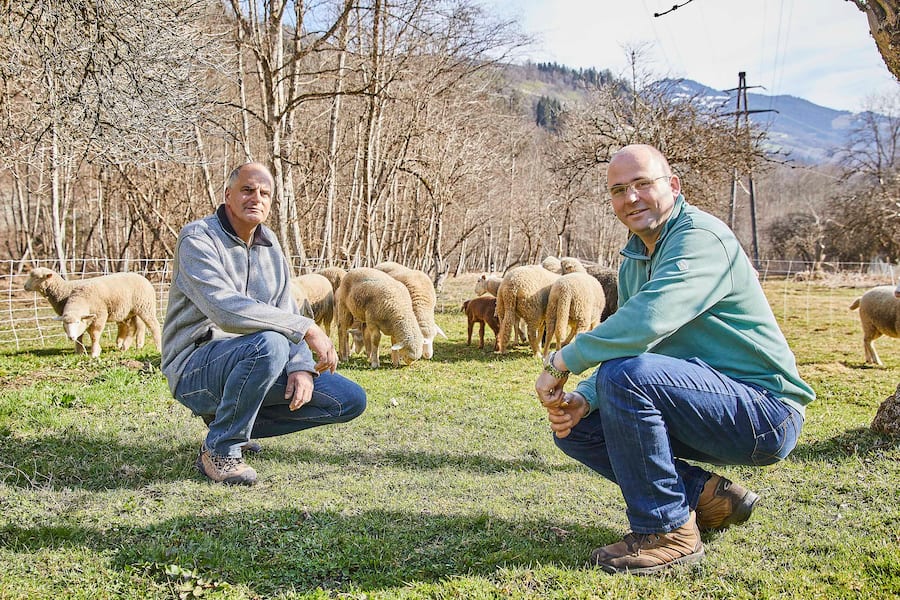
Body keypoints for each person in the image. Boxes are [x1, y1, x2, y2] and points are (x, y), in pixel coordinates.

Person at [535, 144, 814, 575]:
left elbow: (648, 321)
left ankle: (669, 533)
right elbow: (637, 347)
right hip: (699, 400)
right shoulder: (635, 260)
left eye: (643, 184)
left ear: (674, 186)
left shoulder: (701, 238)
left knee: (625, 377)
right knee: (577, 430)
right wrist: (586, 399)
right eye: (619, 190)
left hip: (764, 411)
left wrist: (563, 360)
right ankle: (708, 497)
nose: (631, 198)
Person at [162, 162, 366, 486]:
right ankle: (221, 450)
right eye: (247, 190)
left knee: (348, 399)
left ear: (271, 202)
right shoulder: (197, 239)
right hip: (195, 365)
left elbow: (286, 305)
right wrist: (308, 328)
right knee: (269, 344)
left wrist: (300, 366)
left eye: (264, 193)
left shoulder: (270, 246)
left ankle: (227, 424)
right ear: (228, 195)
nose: (255, 197)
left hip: (255, 359)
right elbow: (224, 309)